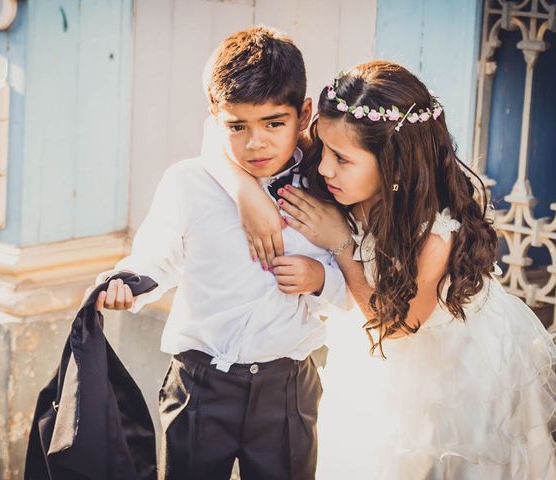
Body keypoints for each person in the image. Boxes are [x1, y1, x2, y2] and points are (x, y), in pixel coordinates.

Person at [215, 60, 556, 479]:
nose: (323, 168)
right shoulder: (343, 158)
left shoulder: (434, 236)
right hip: (372, 360)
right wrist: (243, 188)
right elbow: (220, 131)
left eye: (341, 159)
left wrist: (340, 242)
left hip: (450, 369)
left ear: (394, 163)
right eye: (323, 148)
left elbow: (395, 328)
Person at [94, 26, 348, 480]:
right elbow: (157, 255)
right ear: (215, 118)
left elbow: (352, 283)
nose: (256, 143)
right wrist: (127, 283)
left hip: (287, 388)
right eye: (237, 127)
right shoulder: (188, 182)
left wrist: (318, 278)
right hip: (199, 384)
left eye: (274, 123)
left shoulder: (327, 187)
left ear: (304, 113)